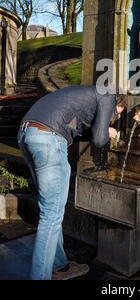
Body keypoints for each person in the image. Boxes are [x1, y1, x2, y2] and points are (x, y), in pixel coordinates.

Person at [17, 85, 127, 281]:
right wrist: (109, 132)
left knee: (51, 209)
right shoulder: (108, 95)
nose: (114, 119)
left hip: (27, 134)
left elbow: (78, 131)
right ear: (118, 102)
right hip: (49, 140)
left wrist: (99, 129)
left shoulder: (86, 97)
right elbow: (99, 140)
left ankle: (61, 265)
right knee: (51, 214)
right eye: (116, 115)